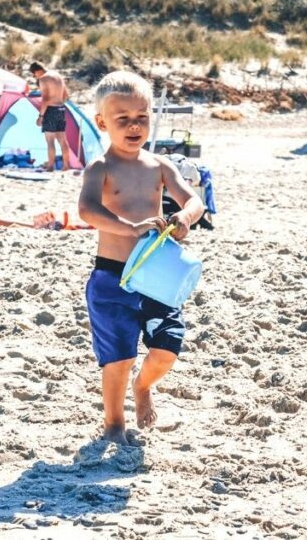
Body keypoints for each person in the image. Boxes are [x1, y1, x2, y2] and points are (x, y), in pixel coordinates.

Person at [78, 71, 205, 445]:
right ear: (102, 123)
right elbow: (86, 210)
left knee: (165, 352)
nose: (134, 126)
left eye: (142, 118)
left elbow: (193, 200)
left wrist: (184, 216)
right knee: (116, 358)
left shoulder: (160, 166)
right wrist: (129, 227)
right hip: (112, 277)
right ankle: (114, 423)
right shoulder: (100, 168)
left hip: (155, 275)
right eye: (123, 120)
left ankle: (143, 385)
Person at [29, 61, 71, 172]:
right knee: (62, 140)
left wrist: (41, 116)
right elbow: (66, 94)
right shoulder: (57, 75)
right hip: (61, 108)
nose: (35, 77)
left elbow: (46, 99)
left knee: (50, 140)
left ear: (37, 71)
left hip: (50, 110)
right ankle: (66, 166)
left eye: (34, 74)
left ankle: (51, 166)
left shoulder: (43, 79)